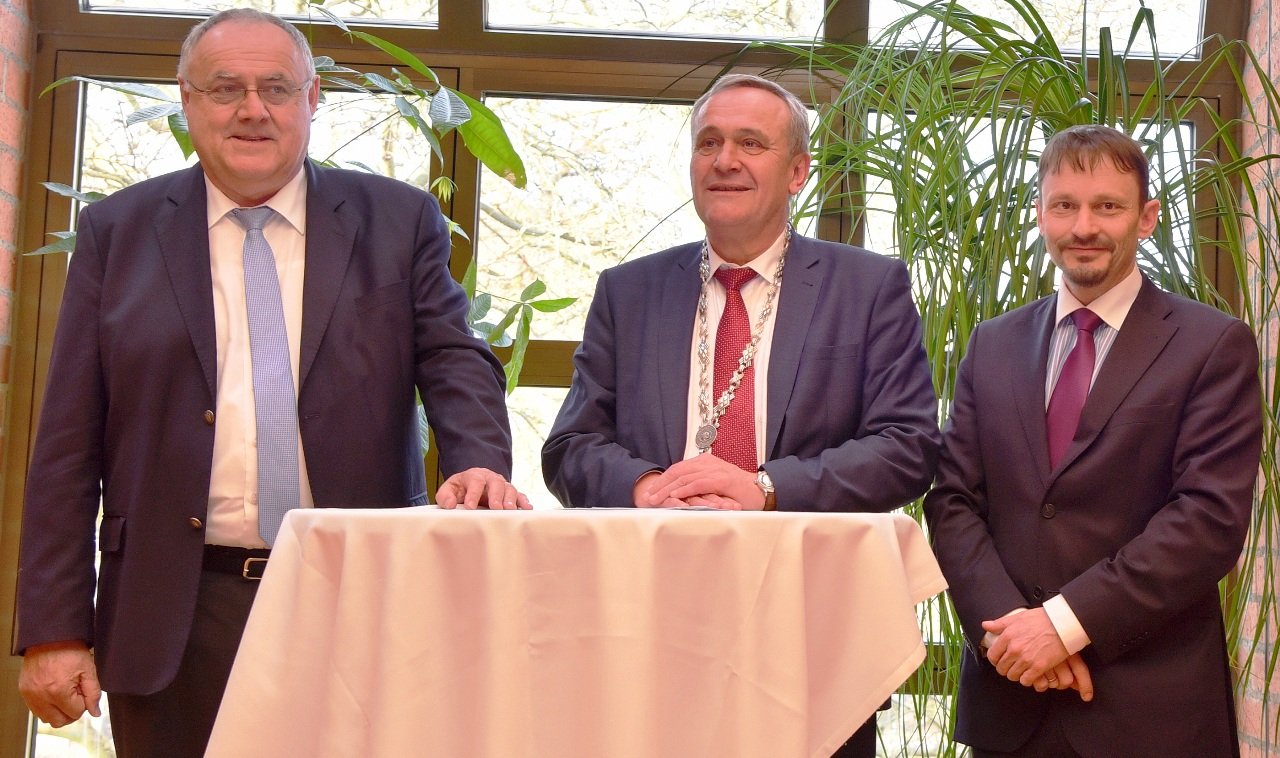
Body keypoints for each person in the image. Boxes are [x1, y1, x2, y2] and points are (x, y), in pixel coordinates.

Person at [14, 9, 528, 756]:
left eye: (276, 88)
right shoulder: (116, 234)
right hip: (174, 614)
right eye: (226, 88)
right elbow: (67, 442)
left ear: (312, 99)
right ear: (186, 101)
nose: (253, 109)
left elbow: (454, 357)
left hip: (358, 594)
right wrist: (55, 628)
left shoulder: (397, 220)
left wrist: (479, 459)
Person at [541, 73, 940, 756]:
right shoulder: (627, 291)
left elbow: (907, 447)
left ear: (798, 172)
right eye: (709, 143)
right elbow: (570, 445)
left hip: (807, 635)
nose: (725, 160)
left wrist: (766, 488)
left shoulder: (868, 288)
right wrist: (644, 486)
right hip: (644, 634)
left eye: (750, 143)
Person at [924, 124, 1262, 757]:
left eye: (1108, 206)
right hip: (1011, 702)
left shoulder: (1211, 346)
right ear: (1040, 214)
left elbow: (1207, 520)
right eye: (1065, 205)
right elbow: (952, 501)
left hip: (1148, 714)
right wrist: (1014, 638)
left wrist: (1065, 624)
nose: (1084, 226)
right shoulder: (991, 344)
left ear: (1146, 218)